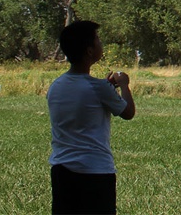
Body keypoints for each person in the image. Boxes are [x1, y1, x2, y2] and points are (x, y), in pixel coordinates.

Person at [47, 20, 136, 215]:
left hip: (62, 171)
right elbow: (128, 112)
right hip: (95, 172)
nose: (100, 43)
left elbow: (83, 103)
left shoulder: (56, 86)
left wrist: (106, 89)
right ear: (89, 51)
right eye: (97, 40)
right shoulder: (99, 88)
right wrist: (124, 85)